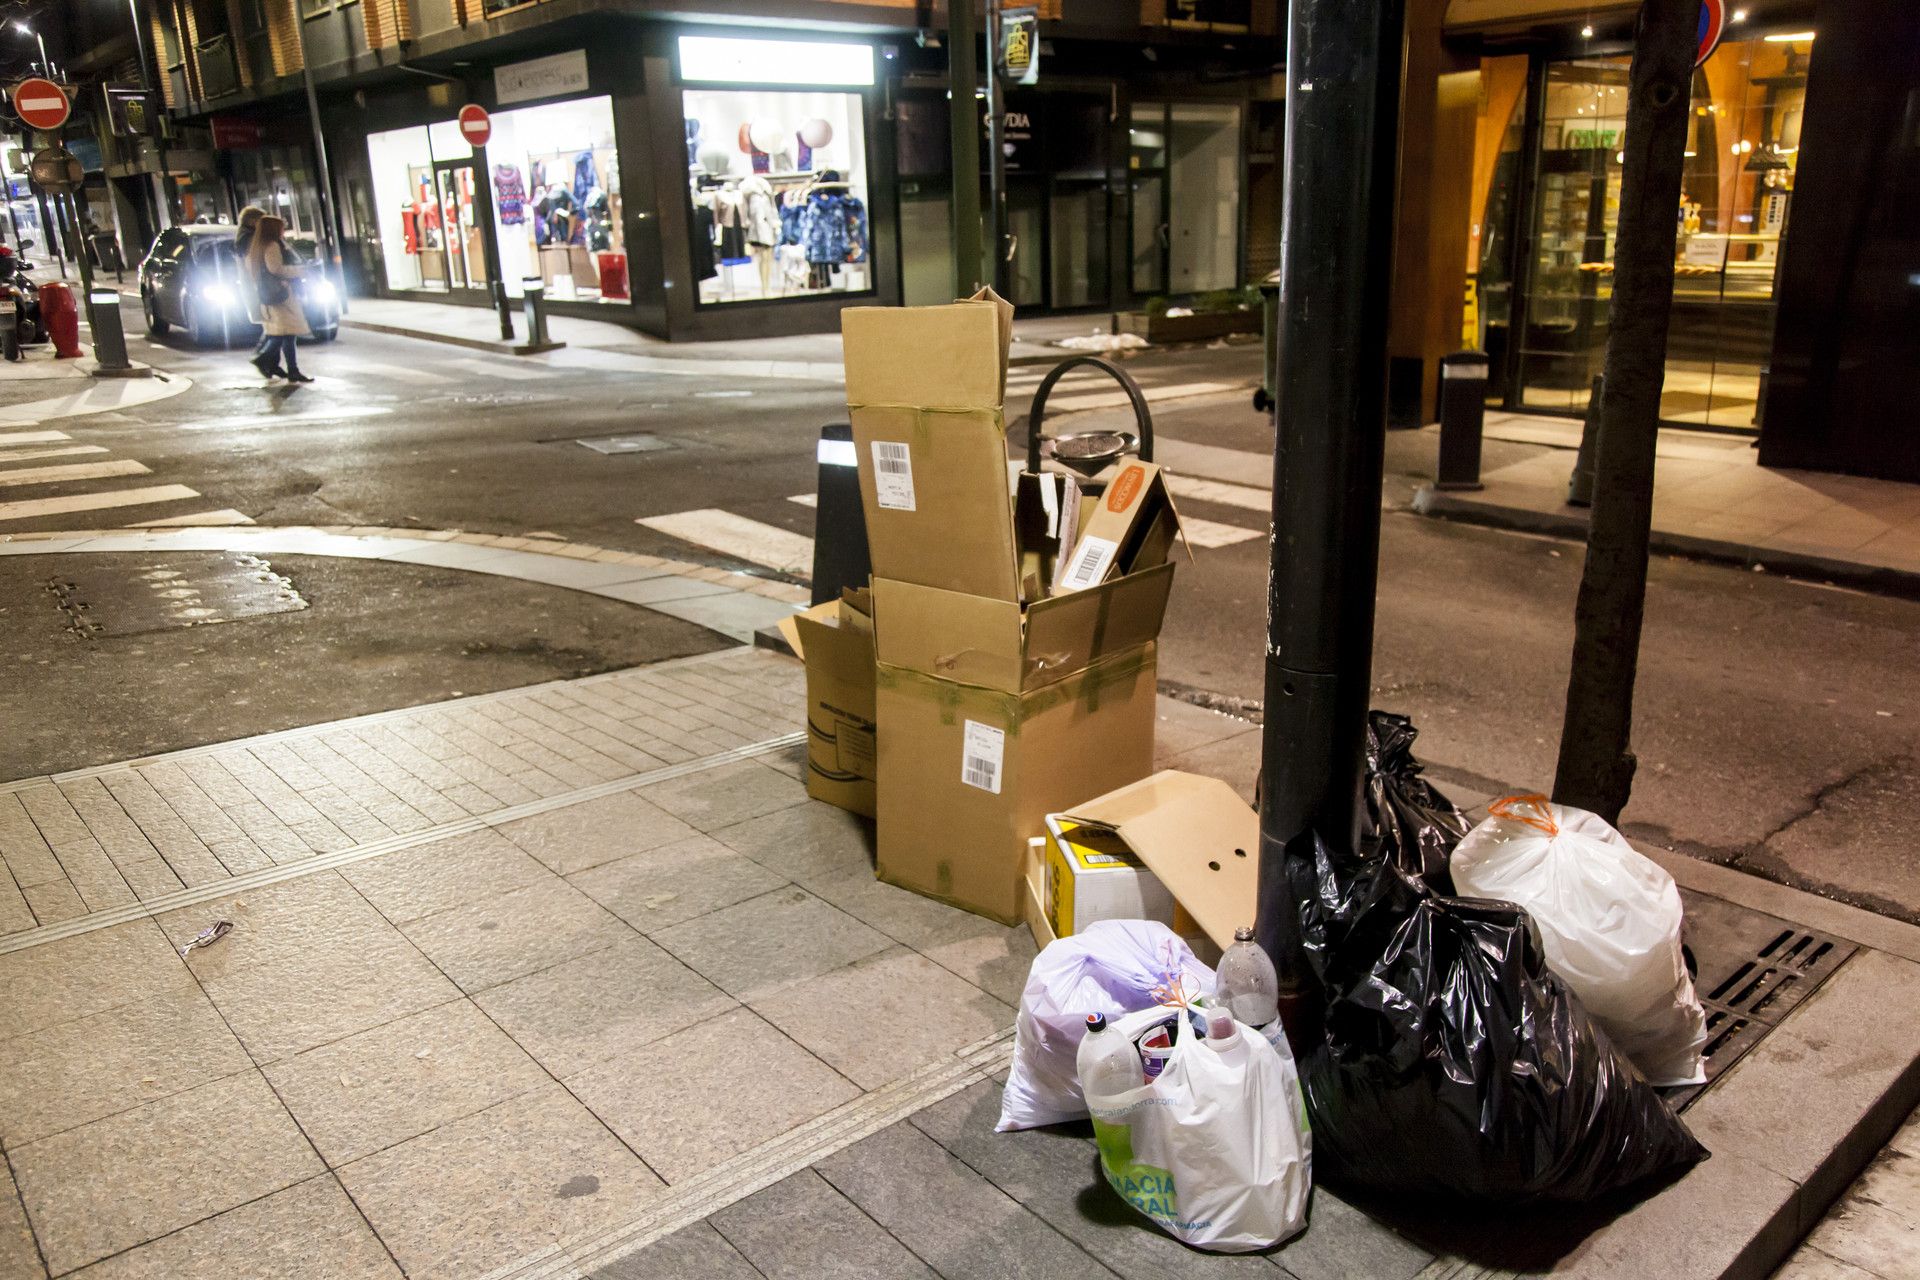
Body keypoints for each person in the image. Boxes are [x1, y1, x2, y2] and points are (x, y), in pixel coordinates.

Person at [246, 215, 313, 383]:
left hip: (268, 295)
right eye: (281, 227)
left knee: (286, 334)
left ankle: (293, 370)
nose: (283, 230)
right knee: (284, 334)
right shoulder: (272, 245)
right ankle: (263, 358)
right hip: (281, 295)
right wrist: (298, 271)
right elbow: (275, 268)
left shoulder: (256, 247)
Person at [232, 206, 269, 366]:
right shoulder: (248, 239)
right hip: (259, 288)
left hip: (256, 287)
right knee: (274, 328)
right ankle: (262, 357)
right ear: (252, 221)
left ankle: (267, 360)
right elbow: (256, 264)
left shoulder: (244, 237)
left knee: (273, 327)